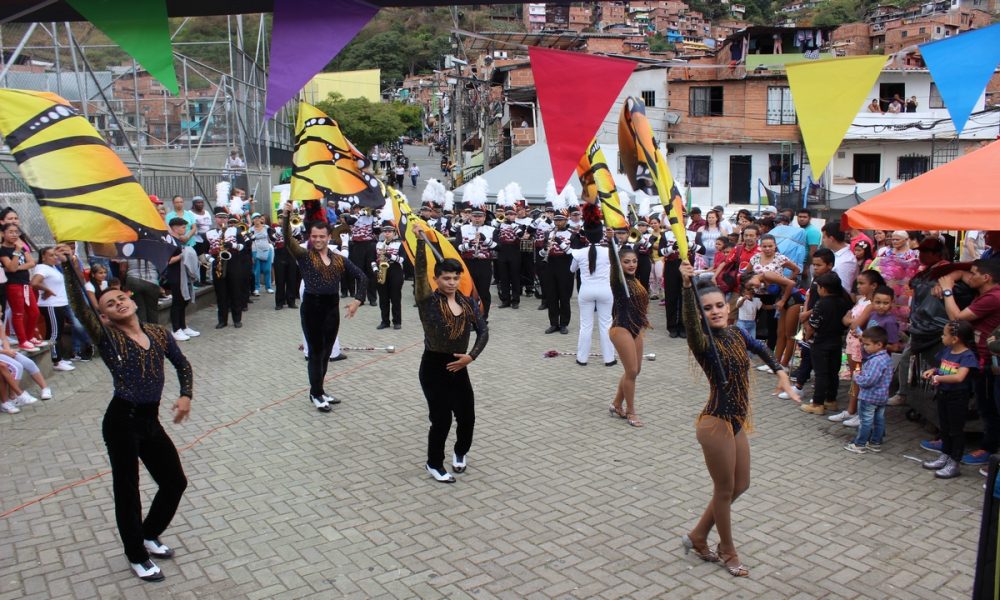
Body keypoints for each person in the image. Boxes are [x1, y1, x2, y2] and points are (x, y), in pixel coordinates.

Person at [63, 253, 192, 583]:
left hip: (150, 421)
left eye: (120, 298)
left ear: (131, 299)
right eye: (109, 304)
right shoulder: (109, 338)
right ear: (104, 317)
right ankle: (136, 555)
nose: (118, 303)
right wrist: (68, 266)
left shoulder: (158, 332)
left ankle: (148, 534)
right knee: (128, 491)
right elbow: (81, 307)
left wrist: (185, 395)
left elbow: (182, 364)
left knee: (175, 481)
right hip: (121, 421)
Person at [679, 261, 798, 578]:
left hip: (735, 422)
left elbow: (761, 347)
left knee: (741, 484)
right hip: (715, 422)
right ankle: (727, 549)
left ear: (727, 305)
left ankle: (698, 535)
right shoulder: (704, 343)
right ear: (700, 313)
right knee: (724, 489)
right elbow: (691, 322)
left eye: (719, 305)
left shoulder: (735, 332)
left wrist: (781, 372)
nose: (715, 311)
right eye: (707, 308)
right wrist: (687, 288)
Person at [414, 237, 488, 483]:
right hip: (433, 367)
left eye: (456, 278)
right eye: (446, 278)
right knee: (441, 419)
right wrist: (421, 243)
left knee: (467, 416)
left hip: (459, 367)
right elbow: (419, 273)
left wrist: (471, 356)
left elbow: (483, 331)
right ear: (436, 279)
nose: (452, 282)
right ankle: (434, 463)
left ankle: (460, 452)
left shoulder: (467, 303)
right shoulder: (427, 301)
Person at [282, 206, 367, 412]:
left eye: (322, 236)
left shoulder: (338, 259)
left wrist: (357, 301)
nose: (318, 240)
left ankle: (320, 389)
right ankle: (316, 394)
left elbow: (362, 277)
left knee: (327, 353)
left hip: (331, 309)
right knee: (316, 353)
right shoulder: (304, 255)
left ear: (329, 237)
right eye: (314, 236)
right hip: (312, 308)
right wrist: (286, 216)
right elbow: (287, 239)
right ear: (309, 237)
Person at [937, 258, 1000, 466]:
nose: (969, 277)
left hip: (988, 361)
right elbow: (960, 274)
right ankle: (950, 443)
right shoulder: (986, 291)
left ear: (986, 277)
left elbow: (956, 318)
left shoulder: (993, 297)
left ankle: (989, 449)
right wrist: (951, 277)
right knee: (982, 404)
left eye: (974, 274)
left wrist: (947, 290)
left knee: (988, 406)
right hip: (979, 358)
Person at [920, 320, 978, 478]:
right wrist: (933, 371)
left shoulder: (967, 355)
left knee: (956, 430)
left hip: (958, 397)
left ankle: (955, 462)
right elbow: (943, 367)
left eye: (944, 334)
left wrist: (939, 378)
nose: (942, 337)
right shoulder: (947, 351)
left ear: (955, 339)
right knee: (944, 427)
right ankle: (945, 454)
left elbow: (959, 377)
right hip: (943, 394)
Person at [608, 247, 651, 427]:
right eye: (626, 262)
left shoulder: (635, 280)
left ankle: (616, 404)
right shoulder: (618, 280)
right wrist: (610, 242)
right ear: (619, 264)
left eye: (634, 261)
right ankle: (631, 411)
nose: (631, 265)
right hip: (621, 328)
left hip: (636, 328)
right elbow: (614, 263)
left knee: (634, 370)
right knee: (632, 371)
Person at [800, 272, 853, 415]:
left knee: (821, 373)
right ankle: (831, 400)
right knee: (833, 372)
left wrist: (807, 335)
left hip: (821, 342)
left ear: (823, 288)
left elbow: (813, 325)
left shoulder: (822, 303)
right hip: (836, 340)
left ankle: (817, 403)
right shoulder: (843, 302)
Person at [570, 205, 615, 367]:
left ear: (587, 237)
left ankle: (582, 358)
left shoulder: (578, 253)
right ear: (601, 234)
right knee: (606, 324)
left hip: (586, 290)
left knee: (585, 325)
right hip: (605, 290)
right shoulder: (609, 251)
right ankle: (609, 359)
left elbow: (572, 270)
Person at [844, 326, 894, 454]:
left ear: (879, 344)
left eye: (867, 344)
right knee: (879, 420)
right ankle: (875, 442)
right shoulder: (886, 358)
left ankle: (859, 444)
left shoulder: (876, 361)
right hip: (881, 396)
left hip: (869, 397)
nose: (864, 347)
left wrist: (857, 376)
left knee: (865, 421)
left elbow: (868, 381)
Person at [31, 245, 76, 371]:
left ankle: (58, 358)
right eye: (51, 255)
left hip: (59, 304)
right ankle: (56, 361)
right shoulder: (42, 268)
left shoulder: (53, 267)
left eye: (55, 255)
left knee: (57, 332)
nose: (55, 257)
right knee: (54, 334)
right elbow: (34, 283)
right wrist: (47, 290)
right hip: (51, 305)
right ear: (43, 257)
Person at [0, 223, 41, 349]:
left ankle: (29, 337)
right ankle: (22, 341)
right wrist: (17, 252)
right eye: (10, 232)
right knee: (18, 313)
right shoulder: (3, 250)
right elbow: (11, 268)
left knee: (34, 312)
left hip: (25, 284)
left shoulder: (20, 246)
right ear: (3, 234)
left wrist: (16, 267)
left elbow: (31, 263)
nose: (14, 234)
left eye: (16, 232)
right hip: (13, 285)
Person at [457, 204, 497, 321]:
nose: (477, 219)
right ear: (471, 217)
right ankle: (469, 317)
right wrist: (469, 244)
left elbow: (498, 247)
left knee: (484, 292)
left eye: (480, 216)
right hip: (467, 264)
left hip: (484, 264)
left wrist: (486, 240)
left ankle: (483, 318)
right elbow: (457, 247)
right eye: (475, 216)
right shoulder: (463, 229)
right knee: (467, 291)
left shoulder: (491, 230)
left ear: (484, 217)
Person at [205, 209, 244, 329]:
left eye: (224, 217)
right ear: (215, 219)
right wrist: (212, 261)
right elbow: (204, 252)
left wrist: (233, 245)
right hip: (217, 264)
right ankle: (222, 320)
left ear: (227, 219)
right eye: (219, 217)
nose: (222, 220)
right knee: (221, 294)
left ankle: (237, 319)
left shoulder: (235, 230)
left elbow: (243, 246)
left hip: (233, 263)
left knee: (235, 292)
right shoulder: (209, 233)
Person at [164, 219, 200, 342]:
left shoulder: (178, 240)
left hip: (183, 276)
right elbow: (167, 261)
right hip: (175, 276)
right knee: (177, 302)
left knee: (184, 301)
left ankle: (183, 326)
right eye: (183, 227)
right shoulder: (170, 241)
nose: (185, 230)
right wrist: (182, 255)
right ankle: (176, 329)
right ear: (175, 228)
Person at [539, 213, 574, 334]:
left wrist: (559, 241)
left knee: (564, 297)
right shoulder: (548, 233)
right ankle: (553, 323)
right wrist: (545, 249)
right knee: (552, 297)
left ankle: (564, 324)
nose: (558, 223)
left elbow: (572, 253)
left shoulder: (572, 234)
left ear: (566, 220)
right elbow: (541, 254)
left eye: (560, 220)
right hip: (550, 266)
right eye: (556, 220)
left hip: (565, 267)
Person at [374, 221, 405, 330]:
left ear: (394, 233)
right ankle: (385, 321)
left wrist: (389, 255)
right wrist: (375, 270)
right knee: (383, 298)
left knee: (395, 297)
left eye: (389, 231)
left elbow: (402, 259)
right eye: (385, 231)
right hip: (381, 270)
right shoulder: (379, 244)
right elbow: (373, 259)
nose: (387, 233)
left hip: (395, 270)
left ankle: (397, 321)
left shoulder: (400, 244)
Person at [495, 207, 525, 309]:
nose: (508, 216)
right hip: (502, 252)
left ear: (515, 216)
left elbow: (521, 234)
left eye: (511, 214)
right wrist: (500, 223)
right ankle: (505, 300)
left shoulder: (519, 225)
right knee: (504, 278)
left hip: (514, 252)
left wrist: (511, 224)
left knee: (515, 277)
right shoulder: (499, 225)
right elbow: (494, 234)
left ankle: (515, 300)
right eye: (507, 214)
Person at [249, 213, 275, 295]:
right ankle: (256, 288)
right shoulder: (250, 229)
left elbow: (271, 237)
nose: (256, 219)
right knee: (257, 270)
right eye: (254, 218)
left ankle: (268, 287)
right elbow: (250, 241)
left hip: (267, 249)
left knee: (267, 269)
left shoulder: (266, 227)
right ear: (252, 220)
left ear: (261, 219)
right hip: (255, 250)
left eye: (258, 217)